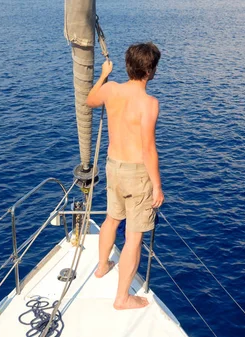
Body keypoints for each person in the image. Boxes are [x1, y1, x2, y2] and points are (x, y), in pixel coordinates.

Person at [86, 42, 164, 310]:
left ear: (128, 65)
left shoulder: (111, 89)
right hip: (136, 173)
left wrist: (104, 74)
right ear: (151, 71)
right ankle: (122, 298)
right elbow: (148, 149)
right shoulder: (149, 103)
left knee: (111, 218)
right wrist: (157, 185)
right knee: (133, 237)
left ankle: (101, 266)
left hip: (113, 166)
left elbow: (90, 100)